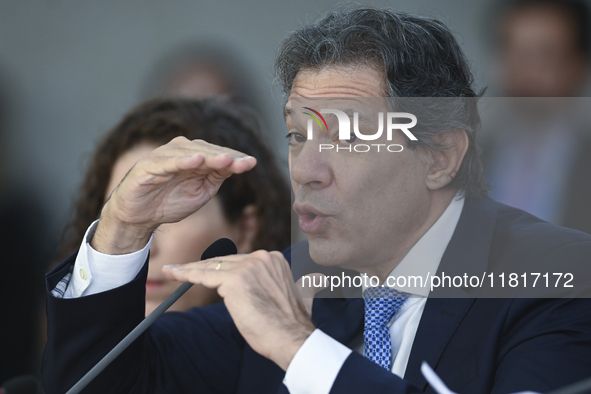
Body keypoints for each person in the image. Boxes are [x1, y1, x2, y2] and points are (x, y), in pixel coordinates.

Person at [43, 7, 591, 394]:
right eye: (297, 135)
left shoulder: (558, 277)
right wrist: (120, 230)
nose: (305, 170)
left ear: (440, 155)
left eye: (348, 137)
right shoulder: (287, 281)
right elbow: (100, 386)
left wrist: (299, 347)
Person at [54, 98, 291, 315]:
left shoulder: (296, 352)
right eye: (120, 217)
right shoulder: (68, 346)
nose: (143, 248)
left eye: (173, 215)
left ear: (246, 229)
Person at [481, 0, 591, 233]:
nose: (523, 69)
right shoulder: (469, 155)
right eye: (511, 50)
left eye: (543, 54)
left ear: (577, 65)